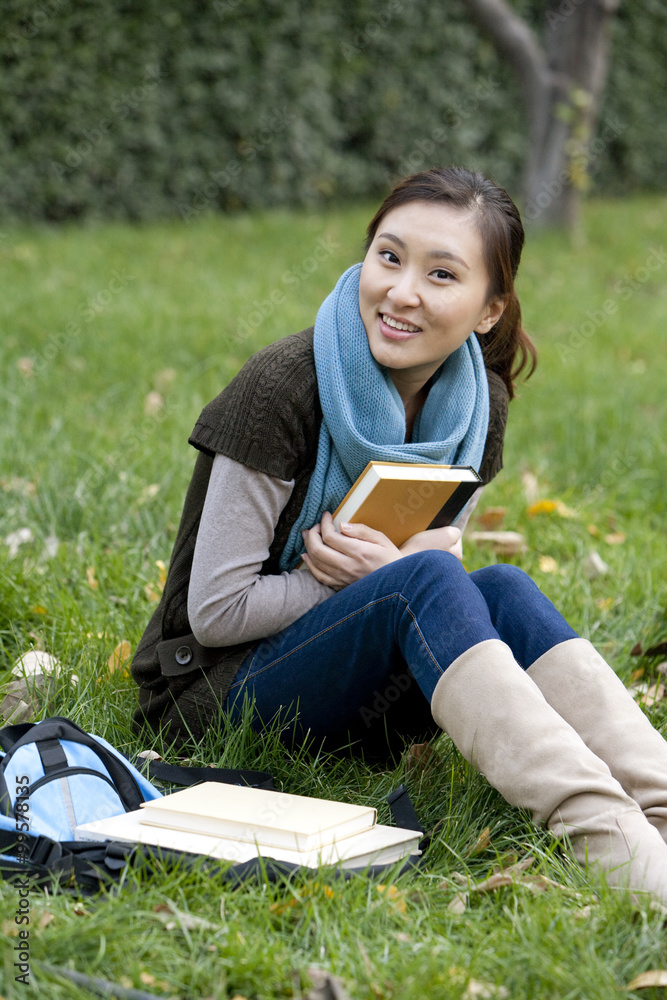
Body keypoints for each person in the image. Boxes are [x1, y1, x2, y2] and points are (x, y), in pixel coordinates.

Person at [132, 167, 667, 901]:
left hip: (353, 692)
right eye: (389, 257)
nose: (401, 291)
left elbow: (432, 557)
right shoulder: (283, 388)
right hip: (210, 691)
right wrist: (349, 581)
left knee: (500, 586)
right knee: (422, 583)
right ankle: (617, 851)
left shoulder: (480, 405)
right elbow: (213, 614)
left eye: (441, 274)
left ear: (488, 310)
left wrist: (406, 569)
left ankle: (660, 807)